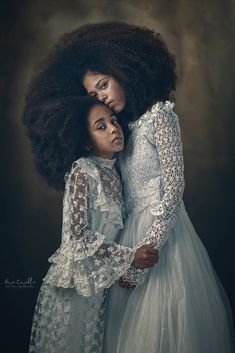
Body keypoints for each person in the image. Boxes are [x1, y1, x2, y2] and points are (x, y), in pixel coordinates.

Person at [23, 22, 234, 352]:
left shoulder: (159, 117)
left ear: (126, 69)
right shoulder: (122, 132)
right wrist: (126, 259)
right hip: (127, 244)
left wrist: (145, 254)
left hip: (163, 242)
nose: (102, 97)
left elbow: (174, 188)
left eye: (103, 85)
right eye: (93, 95)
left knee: (165, 325)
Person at [23, 96, 158, 353]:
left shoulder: (117, 171)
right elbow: (76, 237)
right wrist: (129, 257)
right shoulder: (83, 171)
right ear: (86, 142)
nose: (113, 128)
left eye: (114, 121)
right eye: (101, 126)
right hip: (75, 286)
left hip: (99, 287)